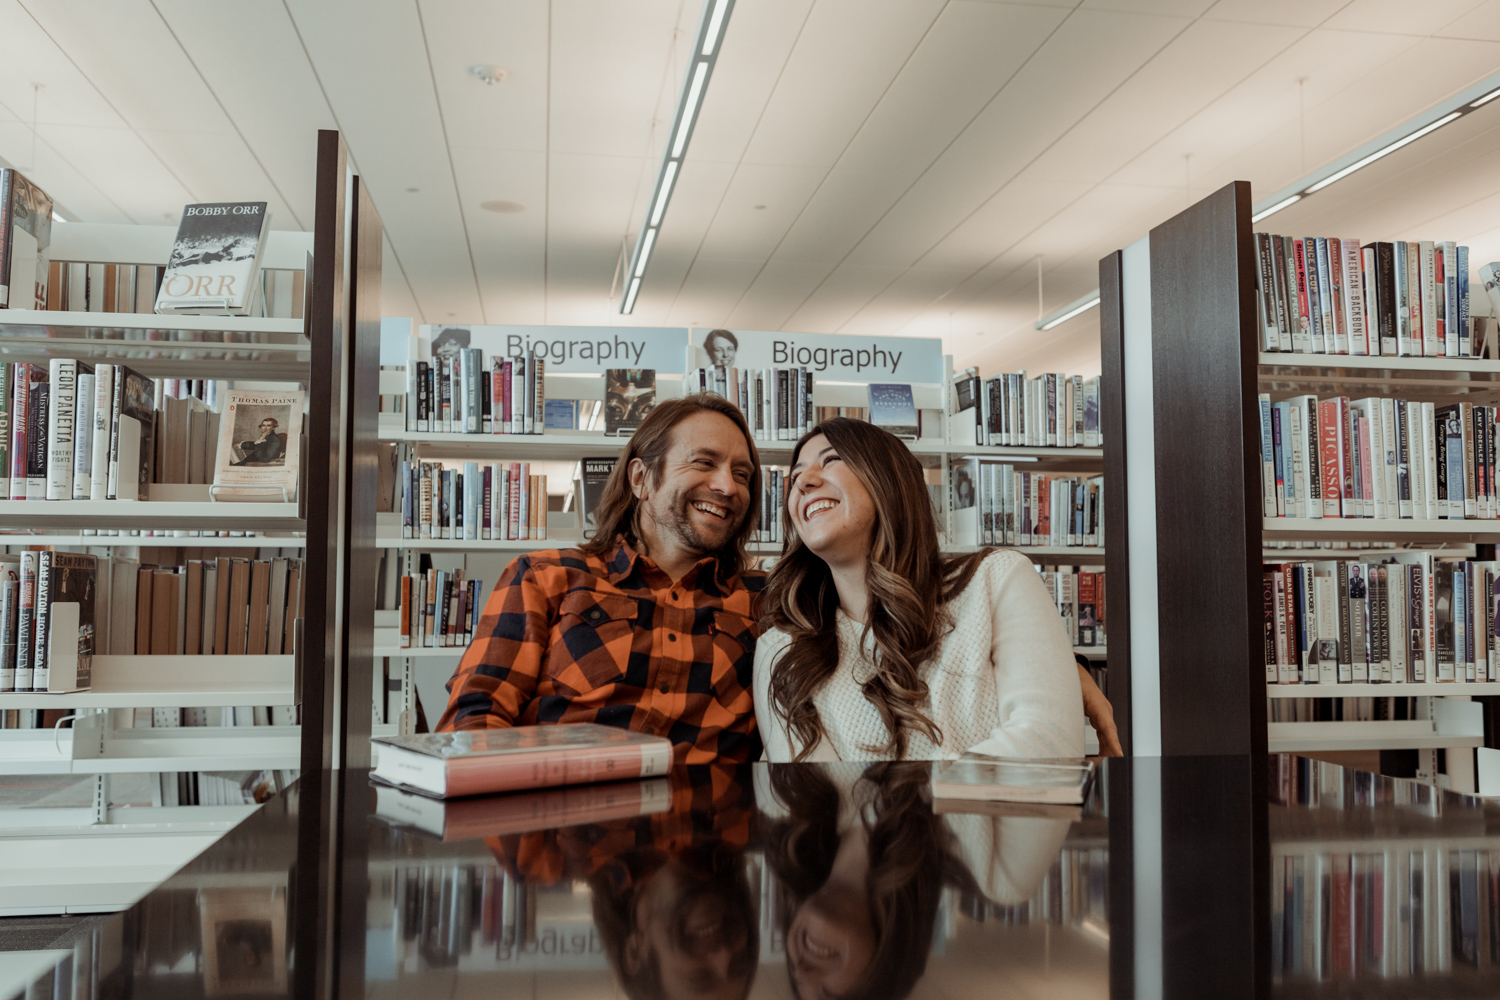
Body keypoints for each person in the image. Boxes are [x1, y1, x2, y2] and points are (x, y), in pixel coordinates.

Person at [754, 416, 1119, 761]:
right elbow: (813, 803)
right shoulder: (782, 651)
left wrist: (908, 807)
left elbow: (1048, 741)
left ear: (889, 481)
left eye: (830, 460)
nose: (803, 482)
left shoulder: (997, 580)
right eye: (796, 476)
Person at [437, 394, 766, 763]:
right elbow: (474, 719)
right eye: (704, 462)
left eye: (742, 475)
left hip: (708, 816)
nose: (727, 486)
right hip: (558, 810)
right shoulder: (546, 578)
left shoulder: (764, 601)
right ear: (641, 479)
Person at [757, 761, 1070, 1000]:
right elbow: (1059, 759)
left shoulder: (781, 800)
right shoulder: (1004, 868)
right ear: (888, 974)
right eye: (829, 996)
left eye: (796, 980)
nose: (801, 970)